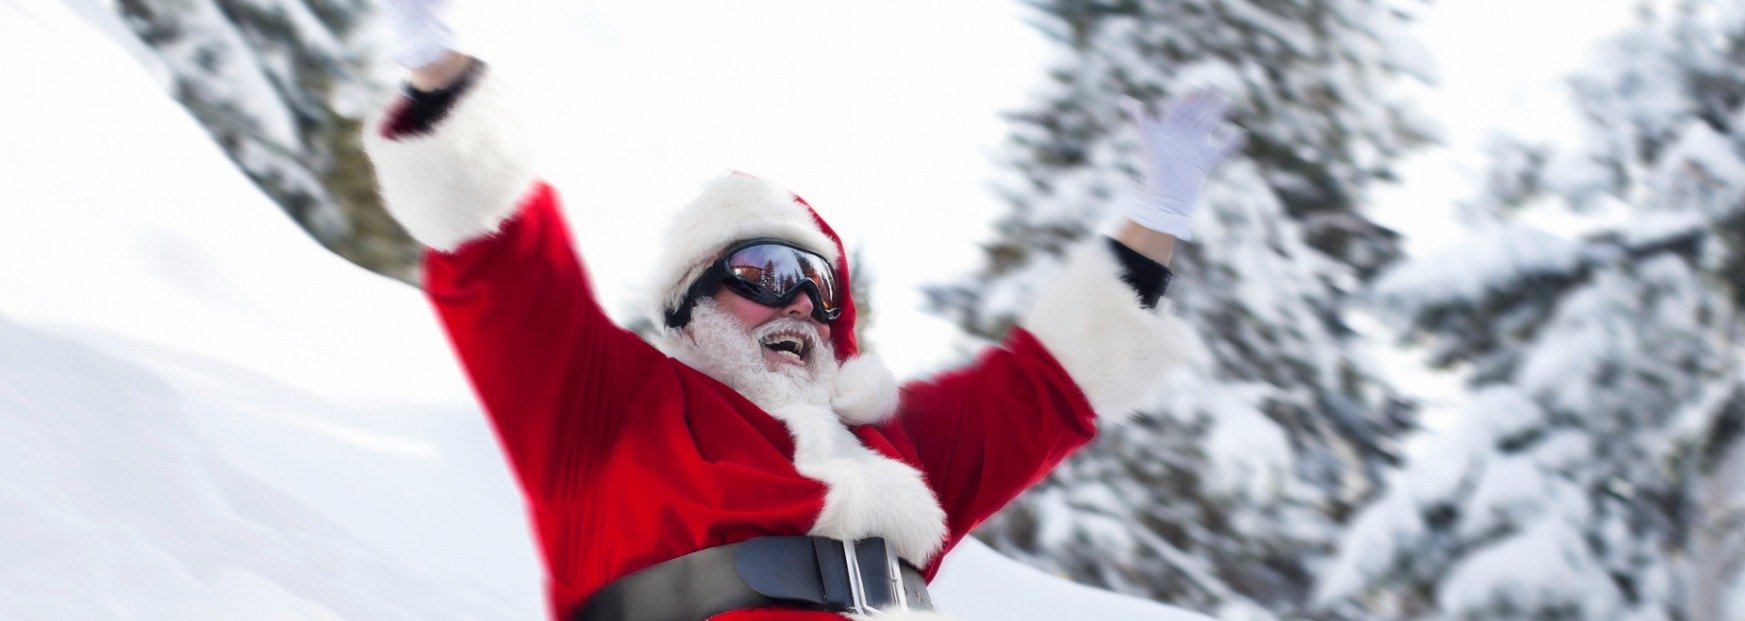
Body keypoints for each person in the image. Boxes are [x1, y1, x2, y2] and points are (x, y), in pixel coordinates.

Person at [364, 2, 1240, 620]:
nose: (798, 302)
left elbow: (1049, 384)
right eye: (763, 270)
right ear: (690, 305)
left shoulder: (893, 446)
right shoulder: (608, 407)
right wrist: (438, 64)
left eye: (819, 284)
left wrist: (1156, 219)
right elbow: (501, 257)